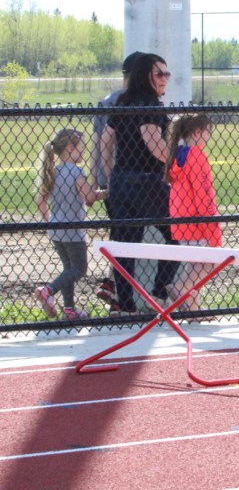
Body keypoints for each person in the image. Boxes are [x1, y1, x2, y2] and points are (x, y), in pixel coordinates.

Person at [101, 52, 181, 315]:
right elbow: (152, 140)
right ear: (144, 75)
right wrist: (176, 164)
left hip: (122, 182)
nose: (164, 79)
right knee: (176, 235)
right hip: (147, 181)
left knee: (126, 246)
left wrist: (113, 174)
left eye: (167, 74)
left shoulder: (124, 102)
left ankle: (126, 305)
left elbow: (105, 142)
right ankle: (157, 294)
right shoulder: (151, 105)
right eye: (159, 73)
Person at [34, 129, 108, 320]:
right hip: (73, 230)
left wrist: (49, 220)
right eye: (81, 149)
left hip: (56, 229)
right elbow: (89, 197)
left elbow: (40, 200)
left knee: (68, 269)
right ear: (70, 148)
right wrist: (107, 192)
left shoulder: (53, 171)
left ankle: (69, 310)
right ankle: (48, 290)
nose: (83, 153)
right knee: (79, 269)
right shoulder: (76, 172)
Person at [90, 51, 142, 309]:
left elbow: (95, 145)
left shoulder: (107, 100)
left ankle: (113, 289)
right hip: (126, 178)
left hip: (110, 180)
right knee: (128, 239)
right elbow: (106, 144)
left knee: (121, 235)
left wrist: (96, 179)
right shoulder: (129, 101)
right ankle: (118, 293)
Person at [165, 113, 221, 315]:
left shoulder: (178, 154)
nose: (208, 137)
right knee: (211, 260)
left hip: (180, 221)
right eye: (208, 132)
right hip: (197, 222)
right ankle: (180, 288)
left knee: (195, 266)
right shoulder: (196, 155)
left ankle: (194, 311)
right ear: (198, 132)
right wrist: (212, 227)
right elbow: (203, 195)